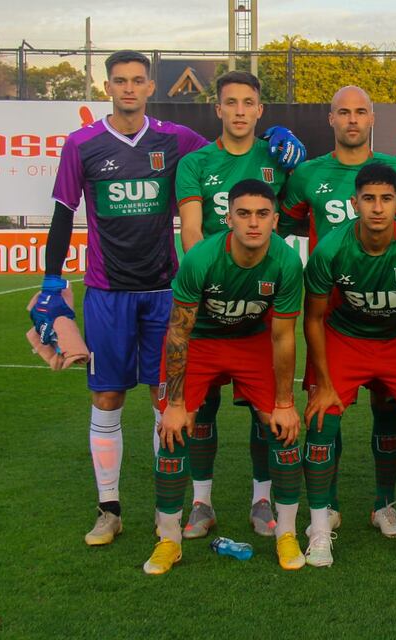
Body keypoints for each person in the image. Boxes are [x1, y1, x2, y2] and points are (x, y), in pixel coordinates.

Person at [32, 50, 303, 547]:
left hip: (167, 293)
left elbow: (238, 147)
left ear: (150, 85)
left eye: (138, 80)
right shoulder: (82, 144)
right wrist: (52, 280)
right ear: (107, 86)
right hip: (110, 291)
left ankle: (175, 513)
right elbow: (62, 212)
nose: (129, 88)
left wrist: (278, 138)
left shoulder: (177, 140)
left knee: (173, 405)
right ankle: (111, 508)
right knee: (109, 397)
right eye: (120, 81)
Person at [143, 179, 304, 574]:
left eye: (262, 214)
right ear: (228, 217)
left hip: (252, 343)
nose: (253, 223)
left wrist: (285, 402)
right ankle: (169, 538)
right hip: (202, 342)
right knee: (173, 427)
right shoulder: (201, 259)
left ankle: (286, 533)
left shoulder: (285, 262)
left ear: (275, 220)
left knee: (281, 427)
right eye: (244, 214)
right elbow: (179, 331)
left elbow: (283, 337)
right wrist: (177, 404)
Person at [280, 86, 396, 538]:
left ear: (373, 118)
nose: (352, 119)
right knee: (326, 404)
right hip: (331, 311)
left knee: (388, 405)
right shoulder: (307, 174)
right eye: (344, 112)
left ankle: (385, 503)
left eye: (361, 112)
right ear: (330, 119)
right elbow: (289, 220)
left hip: (390, 310)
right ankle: (330, 504)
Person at [301, 162, 396, 569]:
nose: (377, 208)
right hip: (347, 338)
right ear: (354, 203)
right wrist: (325, 383)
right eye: (368, 199)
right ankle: (318, 528)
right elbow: (312, 318)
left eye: (386, 199)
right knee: (320, 416)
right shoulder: (330, 248)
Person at [174, 70, 292, 540]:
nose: (240, 111)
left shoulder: (279, 159)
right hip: (207, 303)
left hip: (258, 312)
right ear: (217, 109)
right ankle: (201, 503)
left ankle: (261, 499)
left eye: (249, 103)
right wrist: (214, 285)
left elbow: (300, 209)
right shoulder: (196, 163)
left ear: (260, 111)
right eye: (231, 103)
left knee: (263, 413)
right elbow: (192, 232)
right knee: (200, 410)